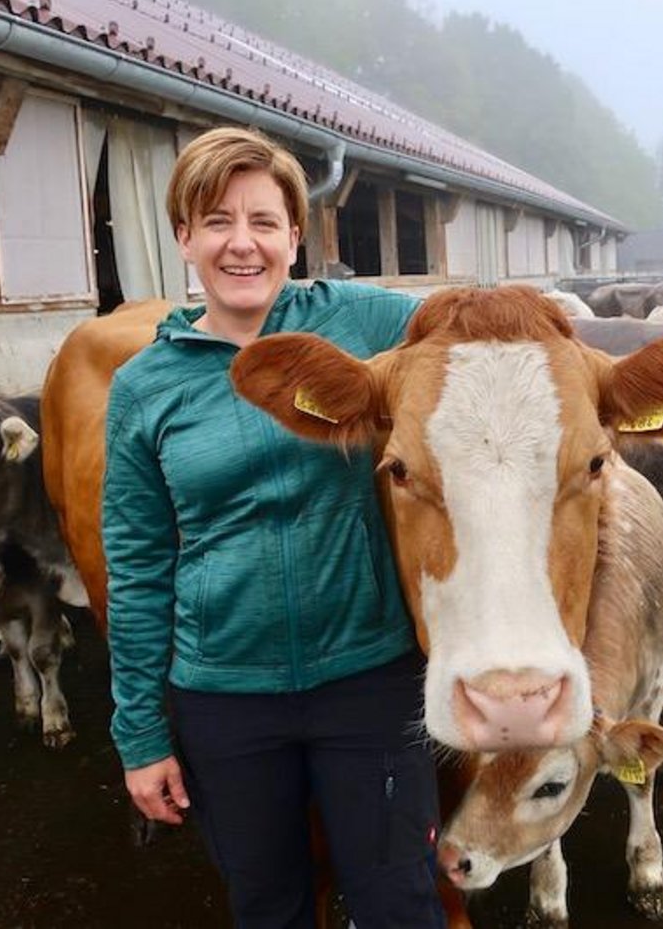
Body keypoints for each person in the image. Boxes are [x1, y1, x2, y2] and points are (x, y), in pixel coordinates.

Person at [102, 126, 445, 928]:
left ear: (295, 236)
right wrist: (140, 735)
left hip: (370, 678)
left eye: (263, 221)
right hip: (225, 697)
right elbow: (139, 566)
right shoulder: (145, 386)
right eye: (217, 221)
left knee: (400, 901)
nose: (242, 243)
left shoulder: (363, 324)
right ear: (184, 237)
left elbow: (474, 332)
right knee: (267, 906)